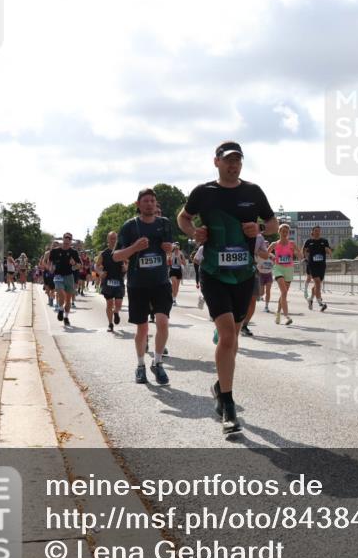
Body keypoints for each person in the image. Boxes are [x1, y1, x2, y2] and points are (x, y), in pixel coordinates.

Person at [178, 141, 277, 435]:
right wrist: (193, 231)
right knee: (227, 335)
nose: (233, 165)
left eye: (238, 161)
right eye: (228, 160)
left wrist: (258, 228)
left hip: (244, 273)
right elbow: (183, 217)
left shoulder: (253, 192)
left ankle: (221, 387)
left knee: (233, 339)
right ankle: (229, 406)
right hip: (213, 271)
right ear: (216, 162)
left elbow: (272, 223)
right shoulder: (203, 192)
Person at [113, 188, 175, 384]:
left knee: (163, 322)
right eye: (145, 201)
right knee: (142, 328)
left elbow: (170, 247)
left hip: (160, 282)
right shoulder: (130, 226)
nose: (150, 204)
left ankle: (157, 363)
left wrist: (169, 248)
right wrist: (134, 248)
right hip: (138, 284)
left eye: (152, 201)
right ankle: (140, 365)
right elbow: (116, 256)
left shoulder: (164, 223)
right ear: (138, 204)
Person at [240, 232, 270, 337]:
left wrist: (255, 249)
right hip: (235, 270)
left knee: (252, 299)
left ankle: (244, 325)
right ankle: (225, 326)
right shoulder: (235, 229)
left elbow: (266, 255)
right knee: (235, 299)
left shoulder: (259, 237)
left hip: (252, 269)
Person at [268, 223, 300, 325]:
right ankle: (287, 316)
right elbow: (266, 252)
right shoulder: (274, 244)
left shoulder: (292, 244)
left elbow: (299, 253)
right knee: (284, 292)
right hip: (278, 269)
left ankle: (278, 313)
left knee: (283, 294)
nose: (285, 233)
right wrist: (272, 256)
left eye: (287, 232)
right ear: (279, 232)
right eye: (283, 231)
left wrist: (300, 256)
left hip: (289, 269)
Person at [96, 231, 126, 332]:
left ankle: (116, 312)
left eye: (115, 238)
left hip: (119, 280)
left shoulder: (122, 251)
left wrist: (125, 267)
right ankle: (110, 324)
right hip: (108, 281)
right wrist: (100, 273)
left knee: (118, 303)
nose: (113, 240)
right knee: (109, 303)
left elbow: (129, 263)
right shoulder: (104, 253)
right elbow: (96, 266)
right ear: (108, 240)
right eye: (111, 238)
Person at [49, 233, 81, 326]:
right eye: (66, 238)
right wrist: (51, 267)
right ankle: (60, 309)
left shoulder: (73, 252)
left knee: (68, 299)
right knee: (60, 293)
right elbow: (50, 261)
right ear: (63, 239)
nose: (67, 239)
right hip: (58, 276)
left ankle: (66, 317)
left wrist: (74, 263)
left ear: (71, 241)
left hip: (69, 276)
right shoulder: (55, 251)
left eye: (69, 238)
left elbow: (79, 265)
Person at [303, 225, 332, 311]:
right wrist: (305, 258)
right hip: (312, 265)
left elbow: (328, 250)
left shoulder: (324, 241)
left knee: (316, 285)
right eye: (316, 230)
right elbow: (304, 250)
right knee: (318, 283)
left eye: (319, 231)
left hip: (322, 265)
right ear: (313, 232)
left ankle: (310, 299)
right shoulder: (309, 241)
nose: (317, 232)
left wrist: (329, 251)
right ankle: (320, 303)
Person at [40, 242, 58, 307]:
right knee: (47, 288)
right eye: (53, 246)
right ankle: (49, 297)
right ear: (51, 246)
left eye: (56, 246)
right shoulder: (47, 253)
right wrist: (47, 267)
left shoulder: (58, 254)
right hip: (47, 272)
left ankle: (51, 299)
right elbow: (43, 261)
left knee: (53, 288)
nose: (54, 247)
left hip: (55, 273)